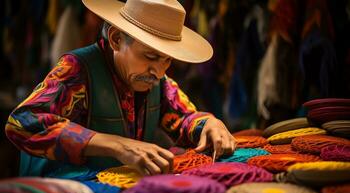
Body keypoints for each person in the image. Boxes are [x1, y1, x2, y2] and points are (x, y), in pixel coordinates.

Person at [5, 0, 236, 177]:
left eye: (167, 60)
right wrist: (116, 145)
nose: (159, 71)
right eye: (150, 56)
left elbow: (184, 117)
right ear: (116, 39)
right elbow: (22, 123)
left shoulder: (156, 79)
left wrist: (209, 124)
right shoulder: (77, 70)